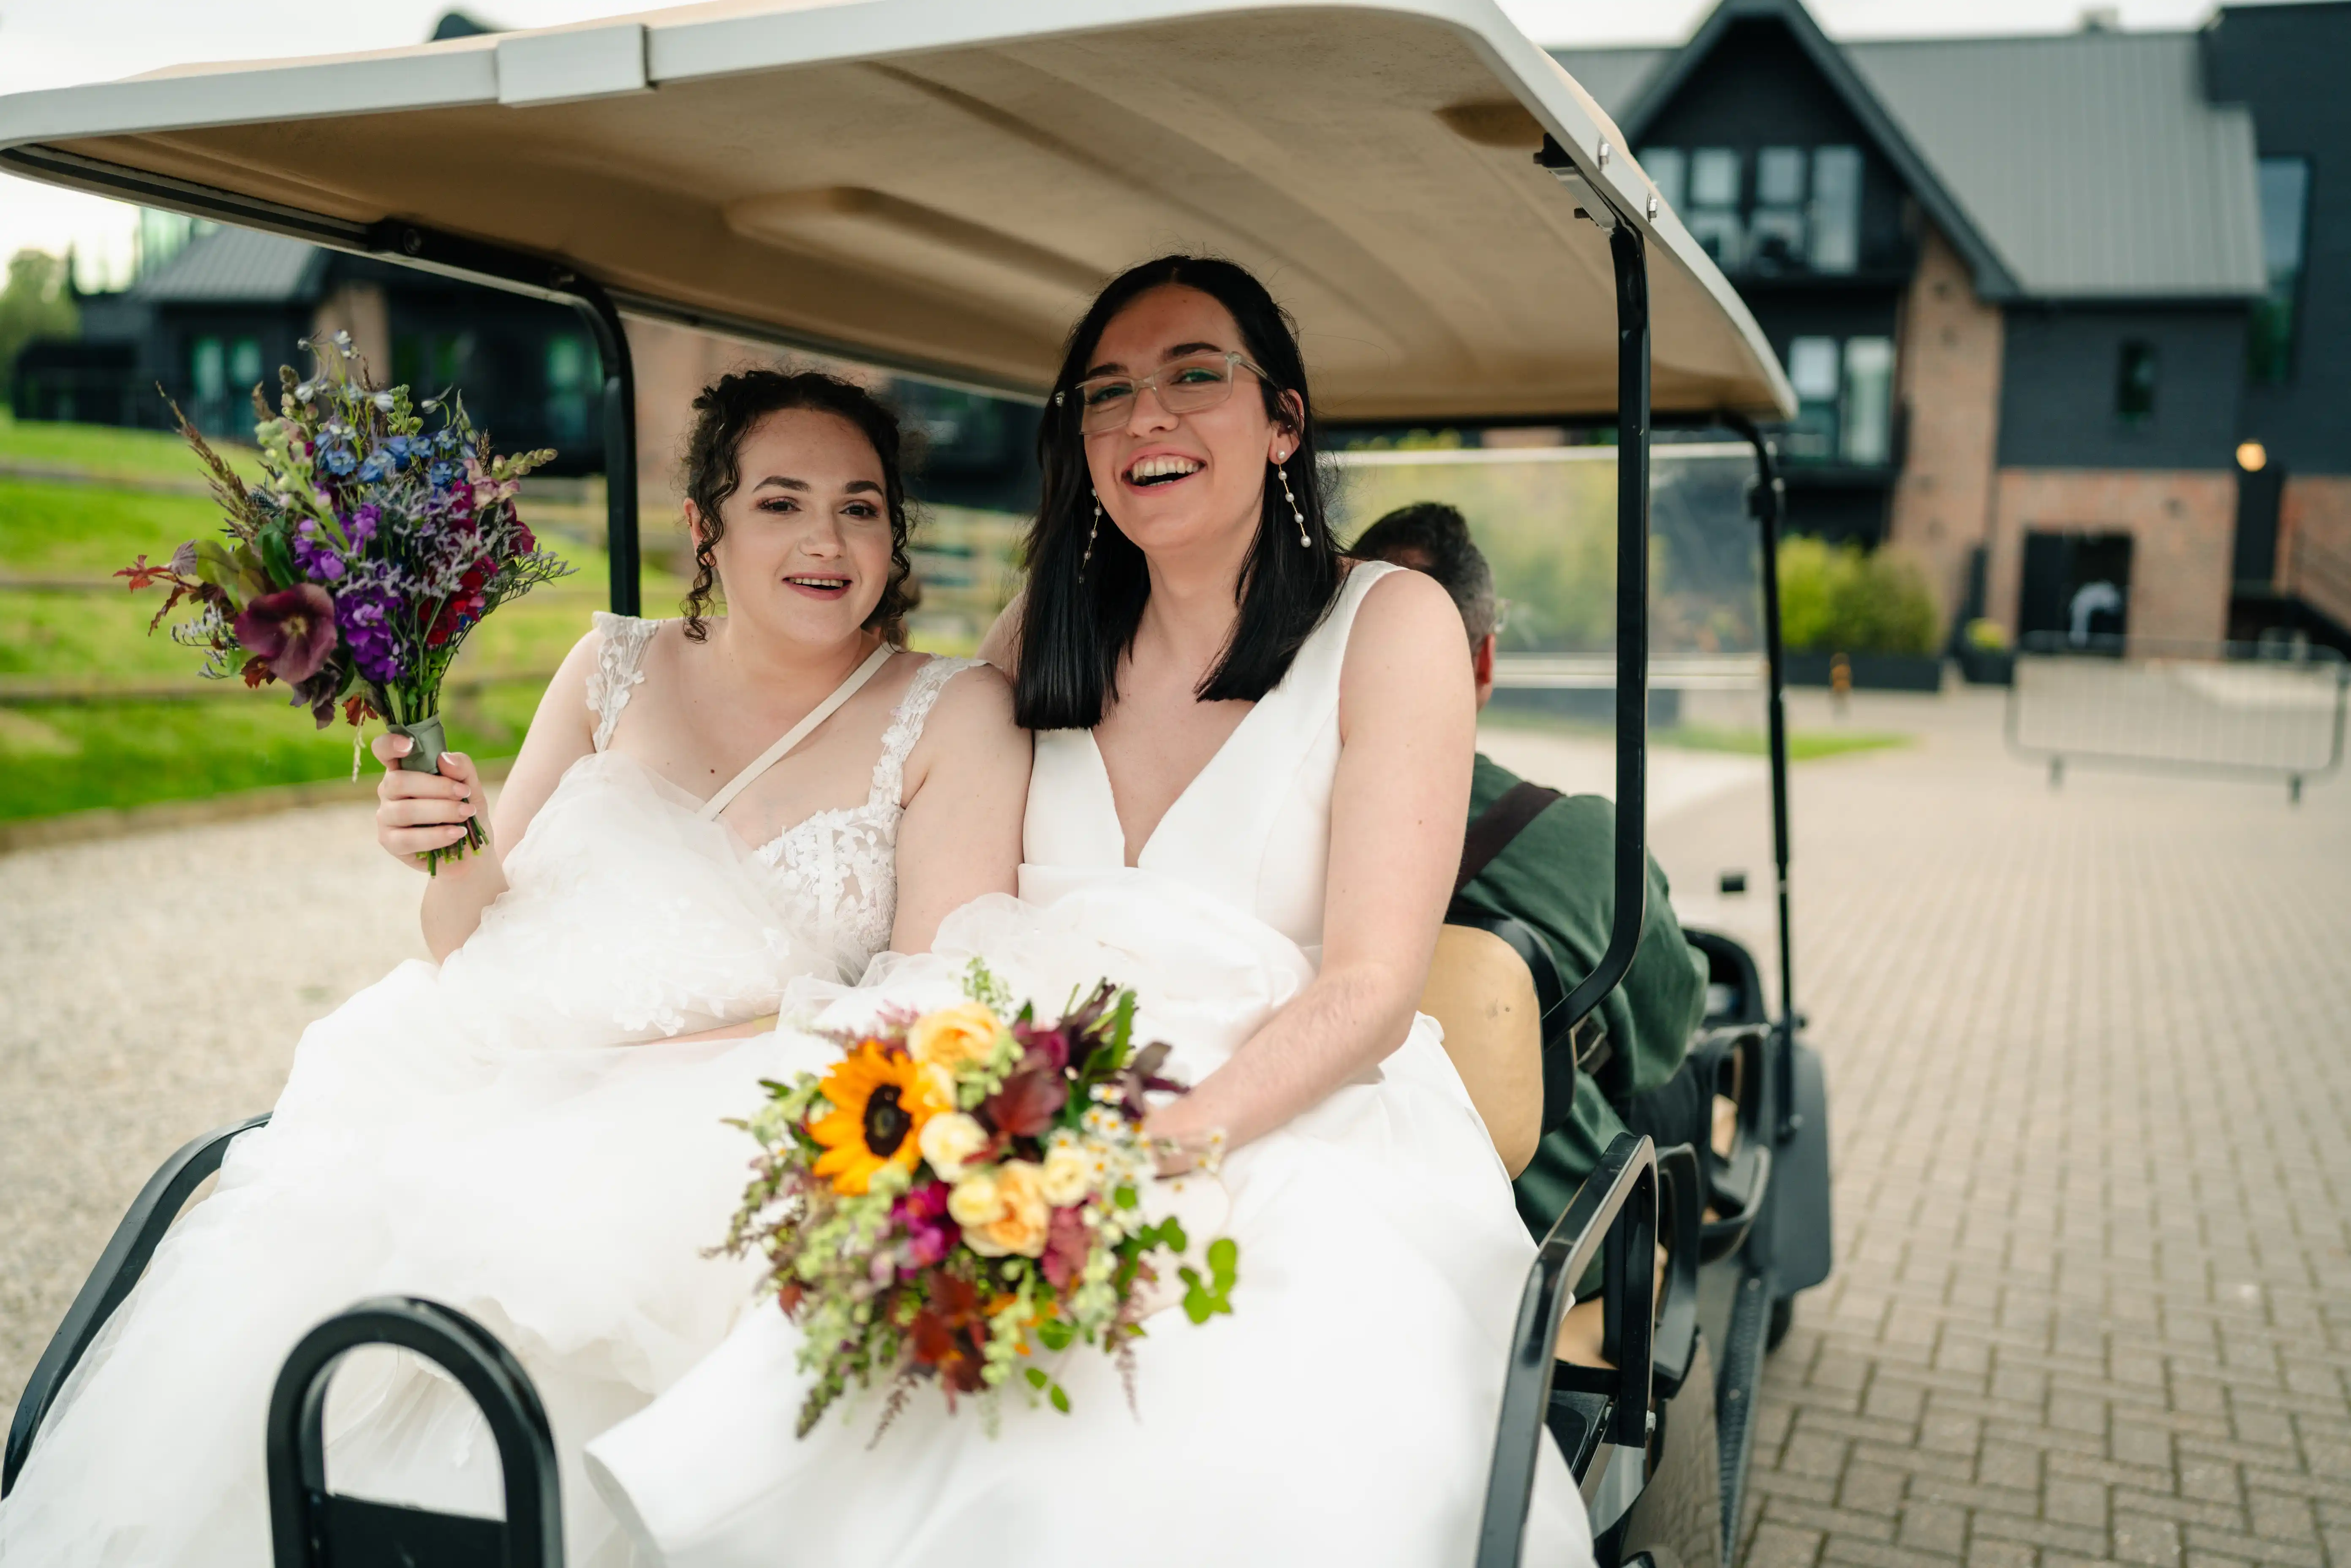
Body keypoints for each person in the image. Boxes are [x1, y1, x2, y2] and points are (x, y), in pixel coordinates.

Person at [584, 258, 1591, 1566]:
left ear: (1282, 422)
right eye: (1106, 394)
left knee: (1177, 1422)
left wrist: (1149, 1153)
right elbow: (887, 814)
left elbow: (1369, 991)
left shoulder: (1384, 623)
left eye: (1191, 378)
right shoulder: (1039, 628)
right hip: (1014, 1088)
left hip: (1282, 1108)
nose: (1144, 420)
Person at [0, 370, 1030, 1566]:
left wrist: (659, 1061)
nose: (825, 540)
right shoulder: (611, 670)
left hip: (758, 1116)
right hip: (498, 1075)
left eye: (860, 507)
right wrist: (446, 845)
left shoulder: (952, 713)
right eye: (779, 503)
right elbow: (471, 943)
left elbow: (947, 993)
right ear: (704, 525)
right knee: (326, 1282)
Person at [1350, 502, 1710, 1236]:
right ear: (1483, 661)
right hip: (1554, 1238)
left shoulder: (1268, 830)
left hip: (1349, 1204)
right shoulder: (1592, 843)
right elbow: (1665, 1034)